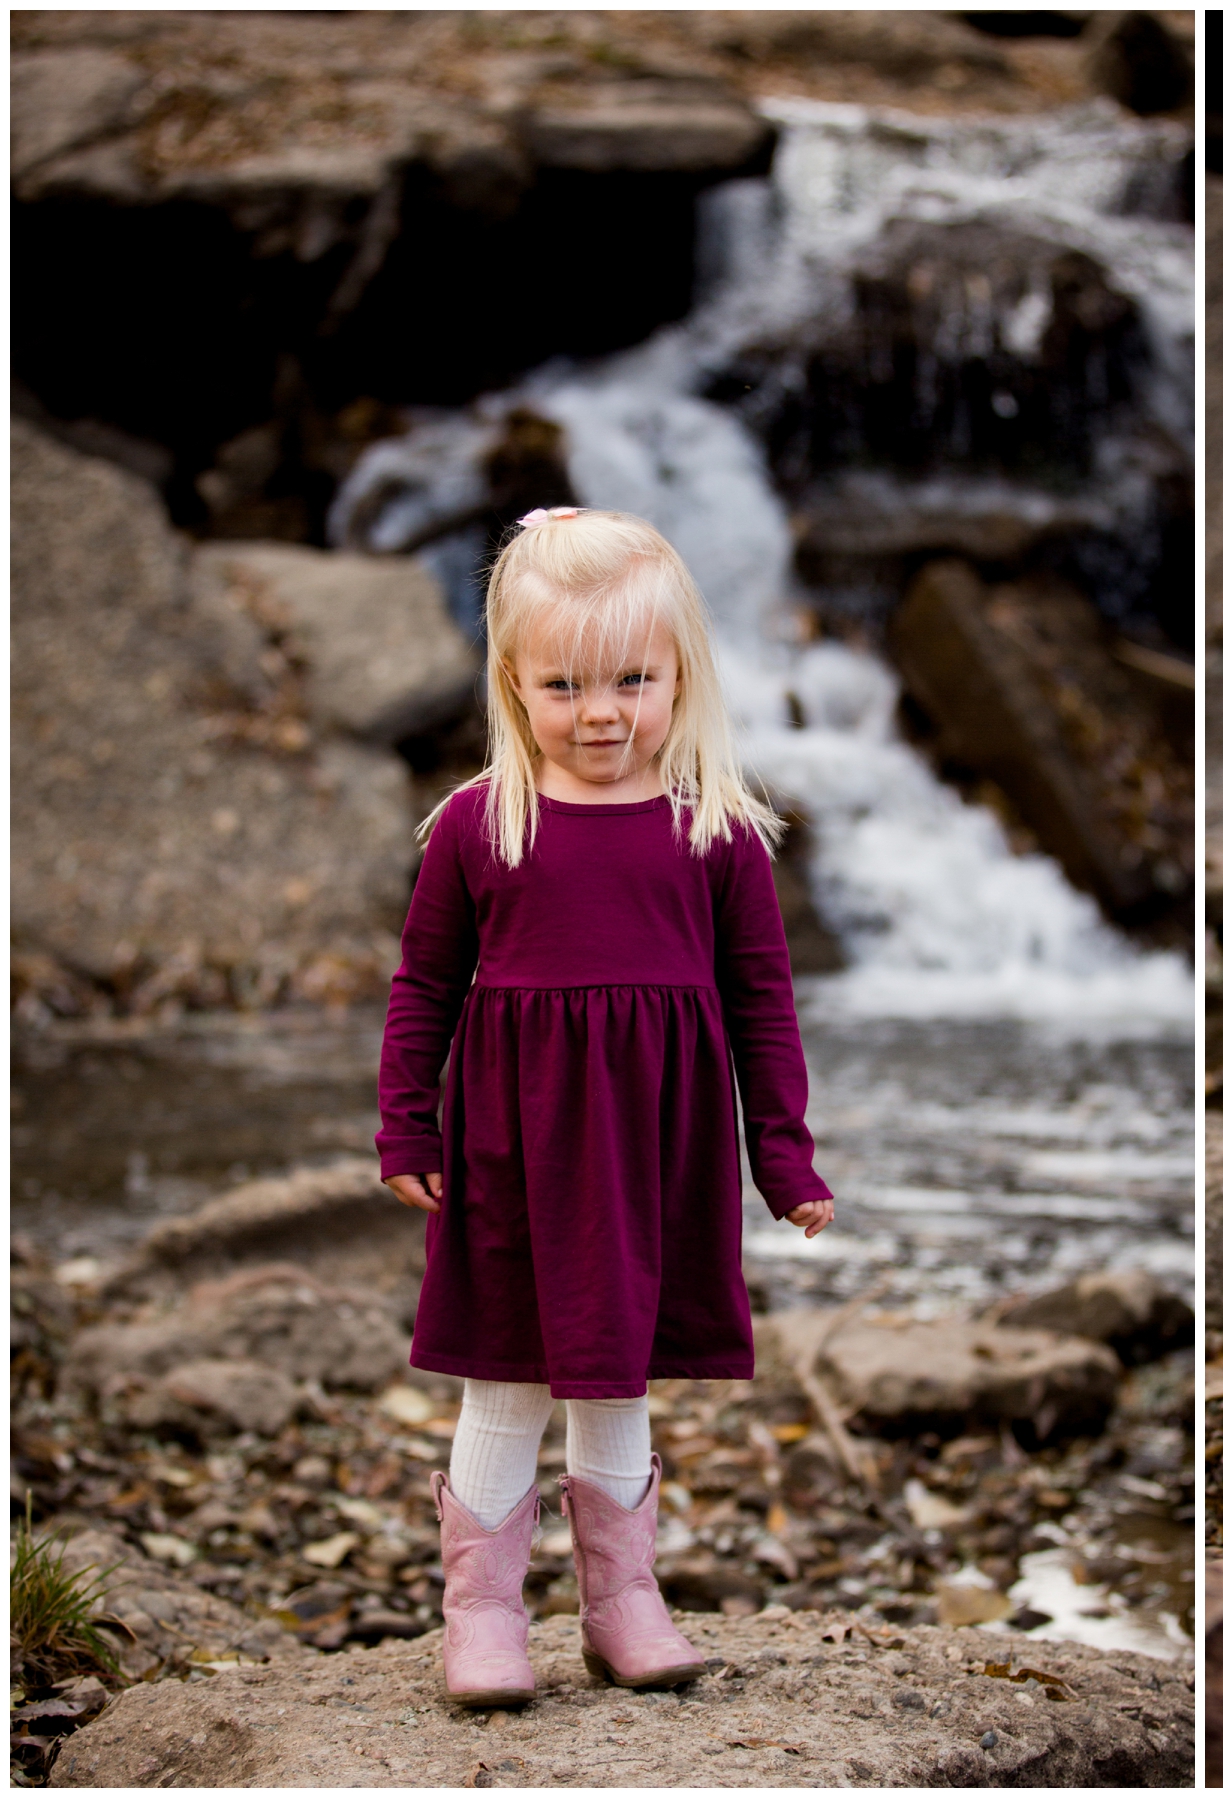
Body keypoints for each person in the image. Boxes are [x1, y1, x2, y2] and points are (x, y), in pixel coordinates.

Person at [377, 507, 836, 1707]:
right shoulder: (482, 824)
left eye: (634, 679)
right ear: (512, 681)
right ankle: (481, 1614)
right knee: (510, 1371)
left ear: (682, 672)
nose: (602, 711)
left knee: (615, 1369)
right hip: (514, 1141)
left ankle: (623, 1601)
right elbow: (423, 983)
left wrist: (783, 1158)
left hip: (651, 1150)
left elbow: (763, 1003)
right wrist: (404, 1124)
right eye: (565, 683)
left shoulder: (716, 831)